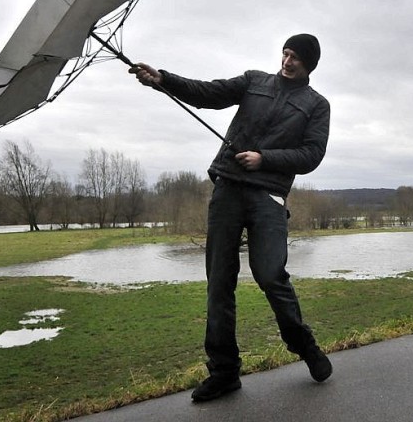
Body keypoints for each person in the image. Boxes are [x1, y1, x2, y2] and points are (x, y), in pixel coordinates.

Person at [130, 33, 332, 402]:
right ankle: (223, 372)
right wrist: (163, 81)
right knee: (219, 283)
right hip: (227, 188)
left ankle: (303, 345)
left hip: (268, 194)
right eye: (286, 54)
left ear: (308, 66)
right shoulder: (254, 81)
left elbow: (311, 154)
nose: (287, 62)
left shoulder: (316, 105)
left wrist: (264, 159)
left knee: (271, 275)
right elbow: (209, 93)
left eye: (296, 59)